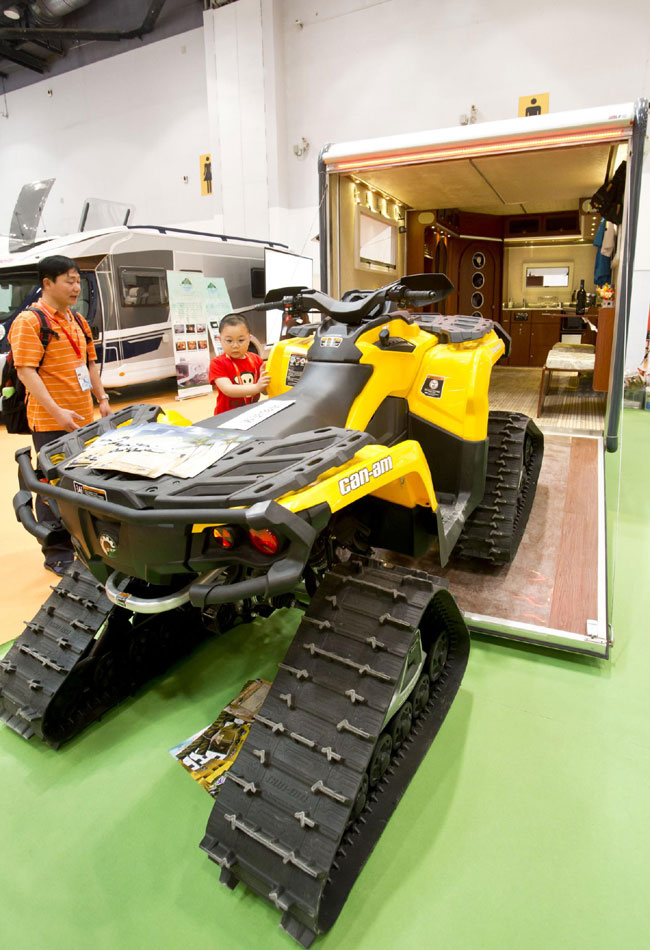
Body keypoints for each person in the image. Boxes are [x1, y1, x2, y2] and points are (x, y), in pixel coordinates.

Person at [9, 255, 112, 574]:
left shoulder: (77, 320)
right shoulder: (30, 321)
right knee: (50, 484)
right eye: (68, 280)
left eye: (77, 281)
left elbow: (91, 364)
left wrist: (103, 398)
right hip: (51, 420)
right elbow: (26, 371)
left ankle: (82, 542)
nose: (75, 287)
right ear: (47, 283)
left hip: (82, 419)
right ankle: (56, 549)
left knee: (80, 482)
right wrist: (57, 410)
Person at [209, 314, 270, 415]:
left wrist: (266, 383)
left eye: (241, 340)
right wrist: (257, 387)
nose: (235, 346)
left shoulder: (257, 360)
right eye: (229, 341)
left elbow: (264, 391)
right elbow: (228, 389)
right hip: (226, 417)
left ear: (249, 339)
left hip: (251, 414)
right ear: (220, 340)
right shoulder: (217, 363)